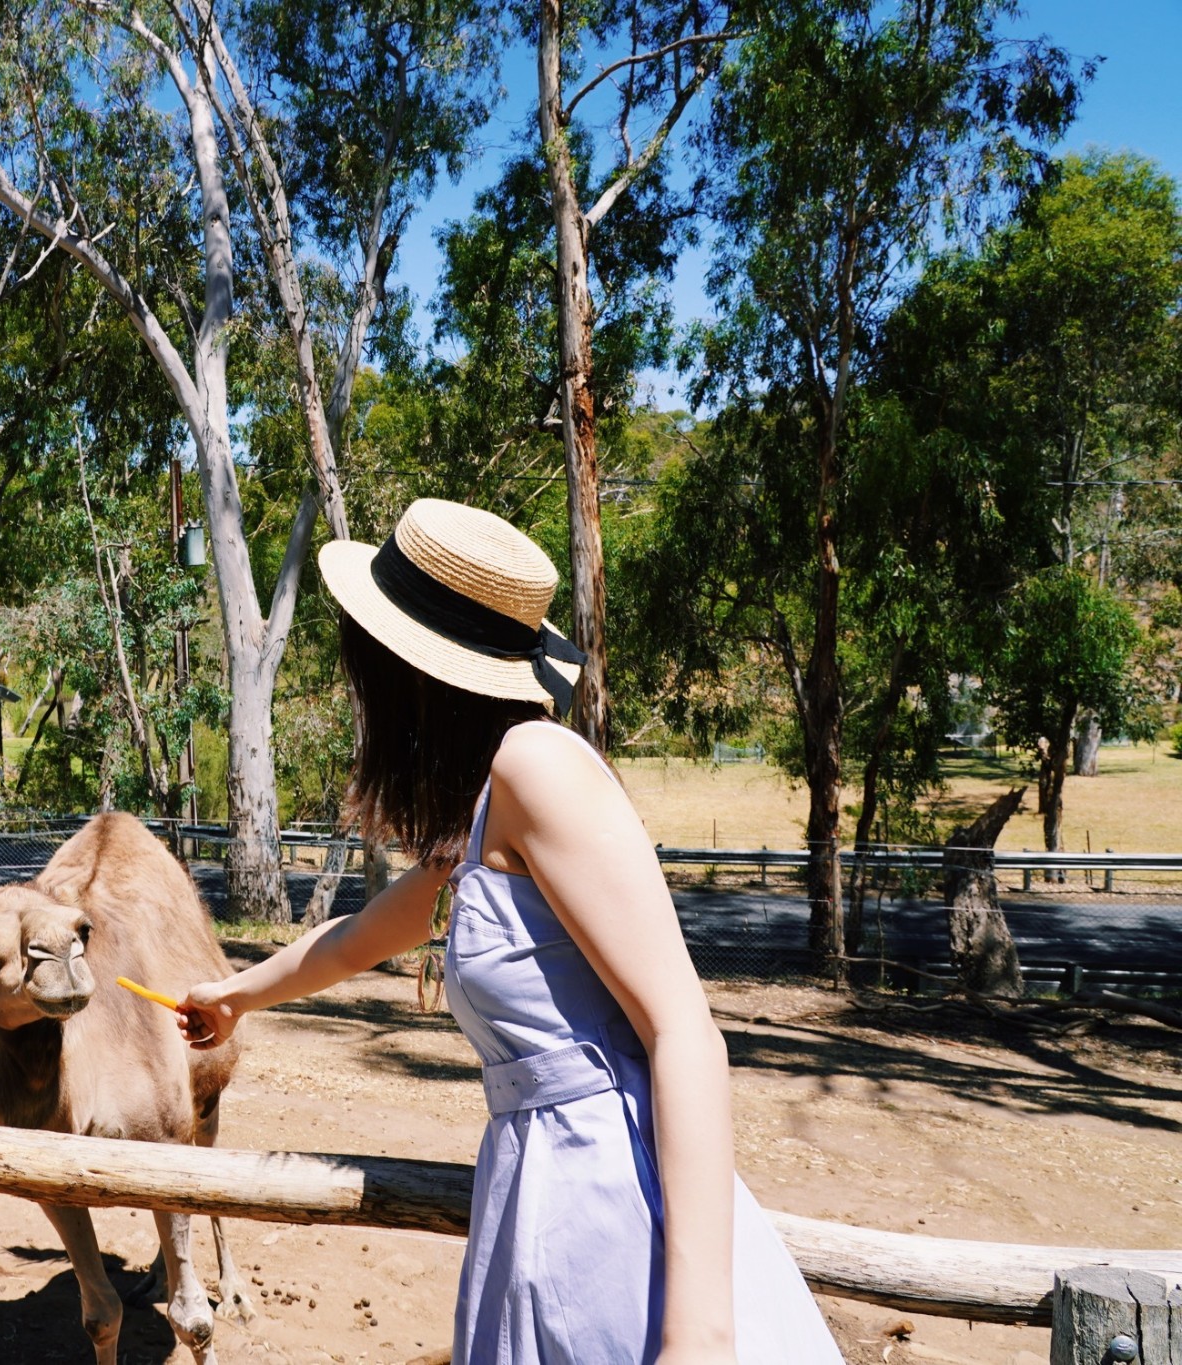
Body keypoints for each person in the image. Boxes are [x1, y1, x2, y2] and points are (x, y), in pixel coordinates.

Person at [173, 500, 842, 1365]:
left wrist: (698, 1336)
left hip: (612, 1200)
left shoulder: (538, 765)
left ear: (410, 668)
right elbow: (358, 938)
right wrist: (237, 994)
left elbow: (685, 1031)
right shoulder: (485, 810)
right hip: (536, 1190)